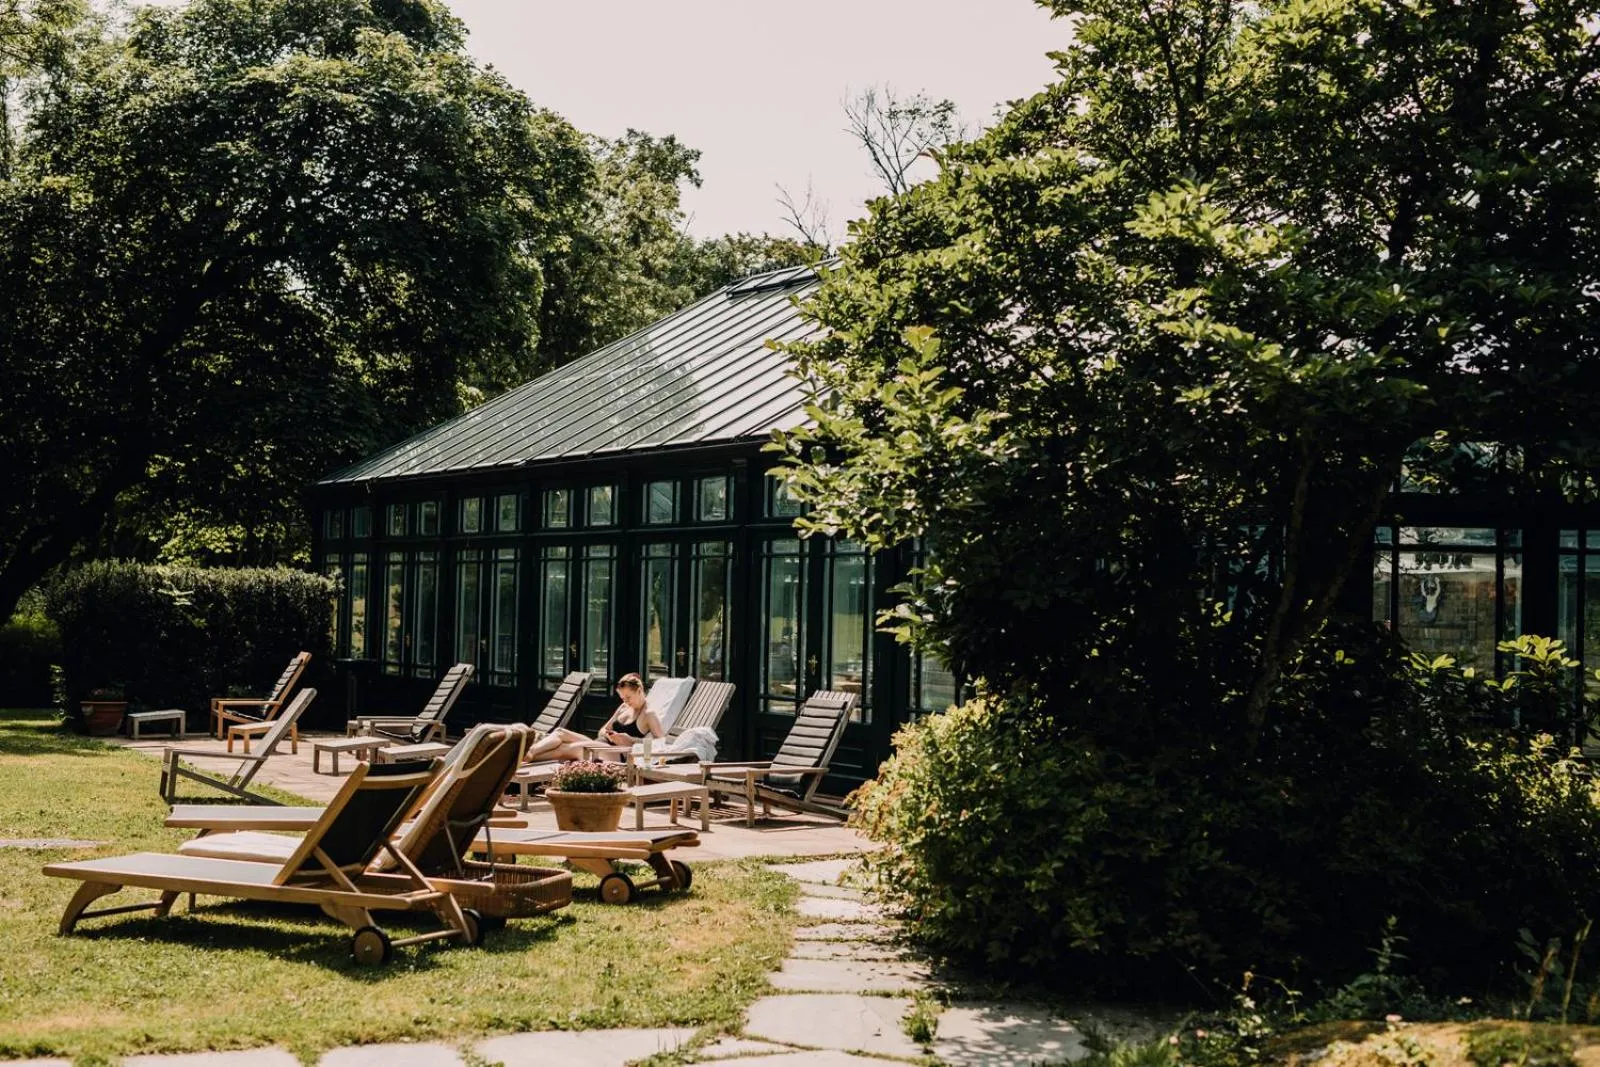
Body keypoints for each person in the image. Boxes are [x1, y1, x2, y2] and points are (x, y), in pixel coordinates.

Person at [521, 671, 664, 763]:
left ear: (639, 691)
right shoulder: (623, 707)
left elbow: (661, 742)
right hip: (601, 744)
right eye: (622, 698)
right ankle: (531, 751)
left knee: (571, 747)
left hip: (618, 754)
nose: (625, 701)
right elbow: (603, 729)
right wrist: (608, 734)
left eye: (628, 697)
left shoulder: (648, 714)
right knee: (560, 732)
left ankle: (521, 759)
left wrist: (630, 740)